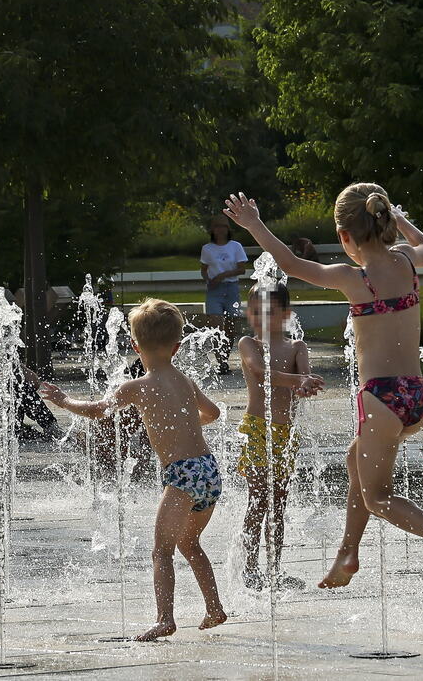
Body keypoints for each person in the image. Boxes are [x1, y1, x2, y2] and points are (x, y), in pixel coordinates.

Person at [225, 186, 423, 592]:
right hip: (415, 395)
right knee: (353, 460)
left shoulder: (352, 277)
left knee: (378, 497)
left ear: (344, 236)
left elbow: (289, 262)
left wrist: (254, 224)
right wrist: (399, 217)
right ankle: (347, 553)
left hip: (380, 399)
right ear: (387, 223)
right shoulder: (409, 262)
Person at [39, 298, 227, 641]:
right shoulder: (184, 380)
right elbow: (213, 413)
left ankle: (164, 619)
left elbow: (97, 410)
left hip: (182, 475)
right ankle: (213, 608)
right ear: (177, 346)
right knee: (190, 543)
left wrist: (63, 401)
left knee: (162, 550)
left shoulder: (136, 387)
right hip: (208, 470)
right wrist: (187, 427)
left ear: (134, 344)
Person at [235, 283, 324, 591]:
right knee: (258, 501)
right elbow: (260, 373)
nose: (262, 318)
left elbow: (301, 386)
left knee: (278, 505)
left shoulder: (297, 347)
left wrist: (307, 385)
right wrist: (299, 380)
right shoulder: (249, 343)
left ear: (286, 315)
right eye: (257, 312)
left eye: (271, 312)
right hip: (258, 430)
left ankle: (274, 570)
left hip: (285, 435)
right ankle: (249, 569)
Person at [200, 215, 248, 375]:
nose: (220, 230)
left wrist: (224, 274)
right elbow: (204, 269)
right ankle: (220, 360)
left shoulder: (236, 246)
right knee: (216, 326)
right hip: (214, 290)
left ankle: (225, 357)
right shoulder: (207, 248)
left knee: (229, 327)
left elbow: (242, 268)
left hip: (231, 288)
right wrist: (209, 280)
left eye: (223, 226)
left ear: (228, 229)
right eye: (217, 227)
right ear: (212, 230)